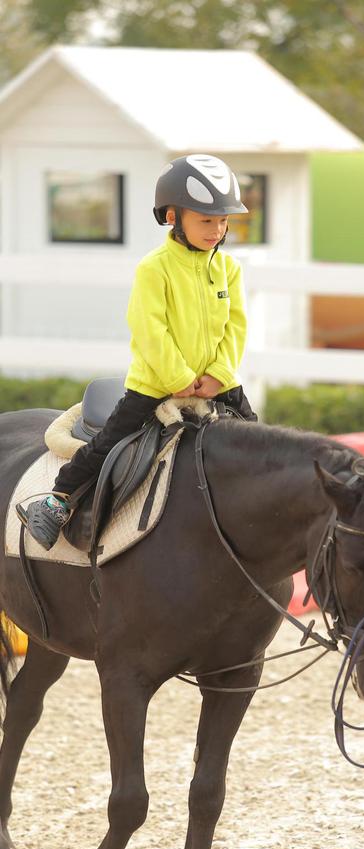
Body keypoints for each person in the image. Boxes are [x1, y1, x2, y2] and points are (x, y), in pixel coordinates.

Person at [24, 154, 257, 551]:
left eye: (223, 220)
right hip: (156, 385)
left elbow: (236, 325)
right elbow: (150, 330)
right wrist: (179, 378)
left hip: (217, 384)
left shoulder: (229, 269)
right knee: (109, 444)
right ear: (172, 217)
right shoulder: (155, 269)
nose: (217, 229)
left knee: (257, 439)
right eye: (206, 220)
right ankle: (57, 500)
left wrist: (219, 371)